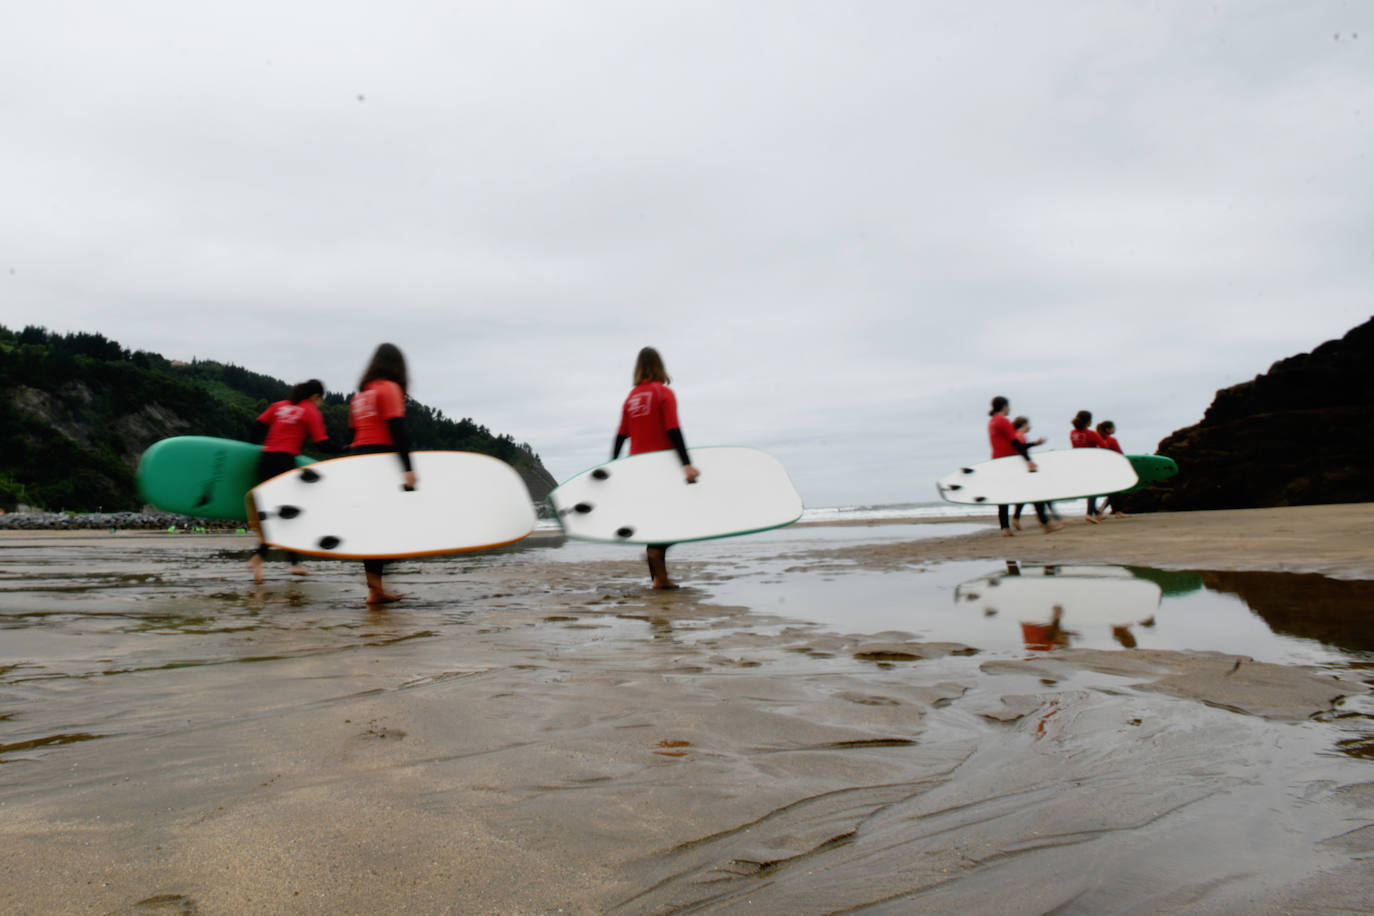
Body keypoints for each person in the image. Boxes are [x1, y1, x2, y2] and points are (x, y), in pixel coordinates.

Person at [612, 347, 700, 589]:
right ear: (660, 366)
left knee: (656, 518)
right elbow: (673, 429)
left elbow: (620, 436)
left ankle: (659, 580)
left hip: (637, 468)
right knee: (682, 515)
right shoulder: (663, 393)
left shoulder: (630, 399)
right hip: (662, 467)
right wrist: (686, 464)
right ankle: (656, 555)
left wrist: (613, 467)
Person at [349, 343, 418, 605]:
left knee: (374, 524)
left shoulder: (360, 396)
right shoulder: (390, 389)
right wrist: (408, 467)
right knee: (395, 523)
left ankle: (374, 589)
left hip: (360, 459)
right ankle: (374, 585)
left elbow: (351, 436)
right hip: (382, 461)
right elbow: (398, 430)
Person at [249, 379, 330, 584]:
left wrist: (250, 450)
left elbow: (257, 427)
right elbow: (322, 444)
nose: (321, 404)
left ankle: (291, 563)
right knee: (289, 513)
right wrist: (348, 447)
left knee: (284, 513)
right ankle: (261, 558)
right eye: (321, 400)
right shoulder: (310, 411)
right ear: (315, 397)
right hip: (284, 463)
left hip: (265, 460)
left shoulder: (279, 406)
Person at [987, 397, 1061, 537]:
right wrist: (1028, 460)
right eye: (1008, 407)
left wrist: (1034, 444)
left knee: (1003, 496)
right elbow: (1014, 442)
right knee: (1035, 490)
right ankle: (1046, 525)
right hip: (1012, 462)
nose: (1009, 409)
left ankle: (1005, 528)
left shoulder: (992, 422)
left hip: (998, 461)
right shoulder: (1003, 421)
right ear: (1004, 406)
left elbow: (1010, 443)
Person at [1069, 409, 1105, 523]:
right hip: (1091, 462)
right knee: (1093, 488)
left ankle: (1096, 513)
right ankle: (1089, 514)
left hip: (1078, 463)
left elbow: (1074, 448)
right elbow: (1104, 446)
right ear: (1088, 421)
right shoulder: (1091, 434)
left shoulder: (1072, 433)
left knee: (1089, 487)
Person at [1095, 420, 1129, 518]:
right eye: (1113, 427)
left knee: (1112, 490)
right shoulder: (1111, 440)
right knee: (1117, 489)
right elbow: (1119, 453)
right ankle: (1118, 512)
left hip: (1101, 467)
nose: (1115, 429)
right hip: (1113, 467)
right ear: (1108, 429)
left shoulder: (1097, 439)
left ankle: (1104, 509)